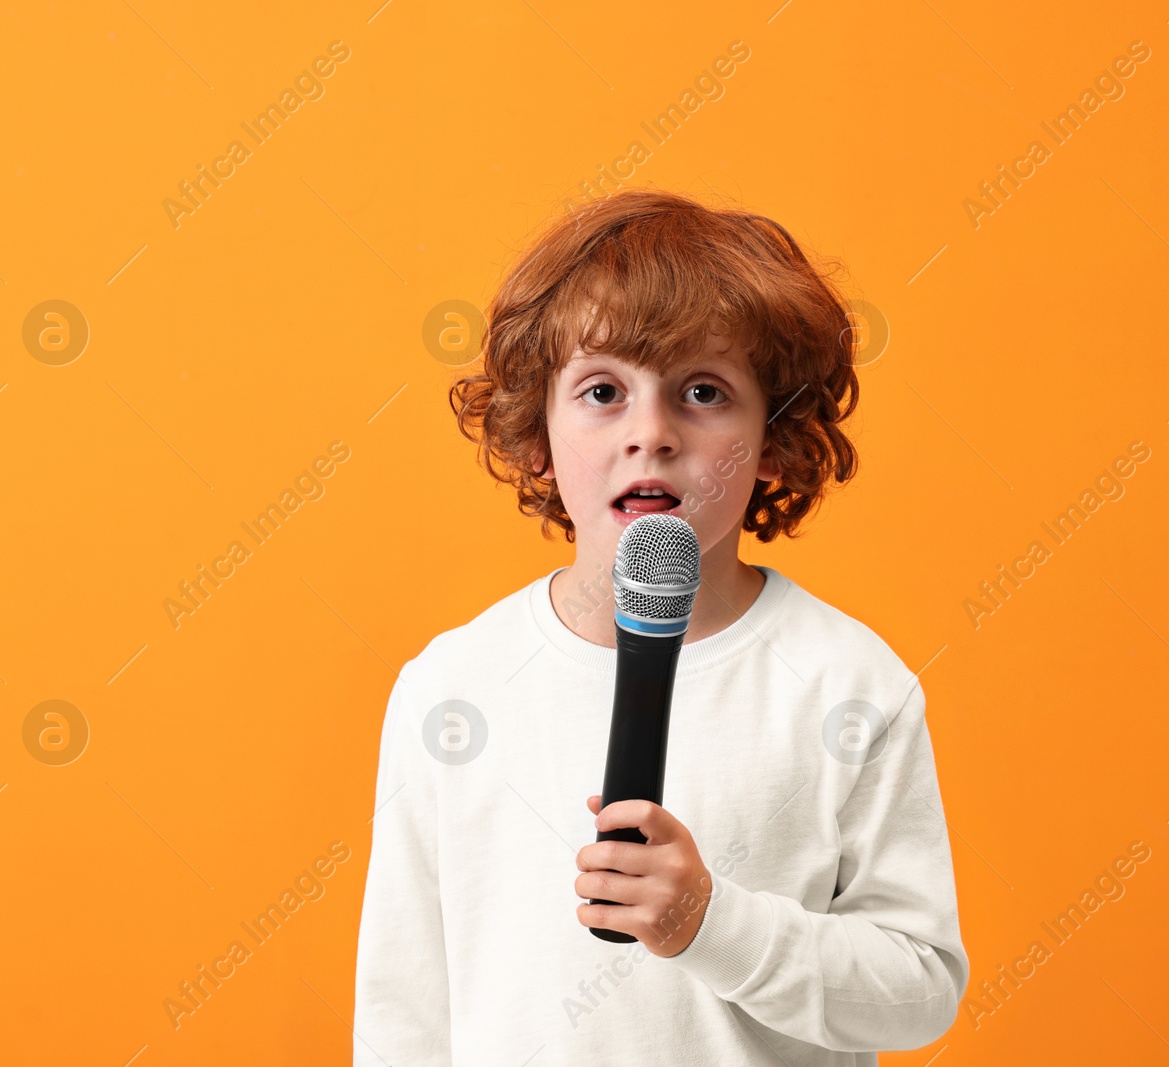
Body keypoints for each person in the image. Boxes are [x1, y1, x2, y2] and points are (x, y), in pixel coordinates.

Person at [353, 188, 969, 1065]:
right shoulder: (451, 689)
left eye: (704, 391)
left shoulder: (849, 685)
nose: (652, 433)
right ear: (537, 432)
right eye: (603, 390)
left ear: (774, 436)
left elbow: (918, 988)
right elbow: (403, 1009)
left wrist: (713, 923)